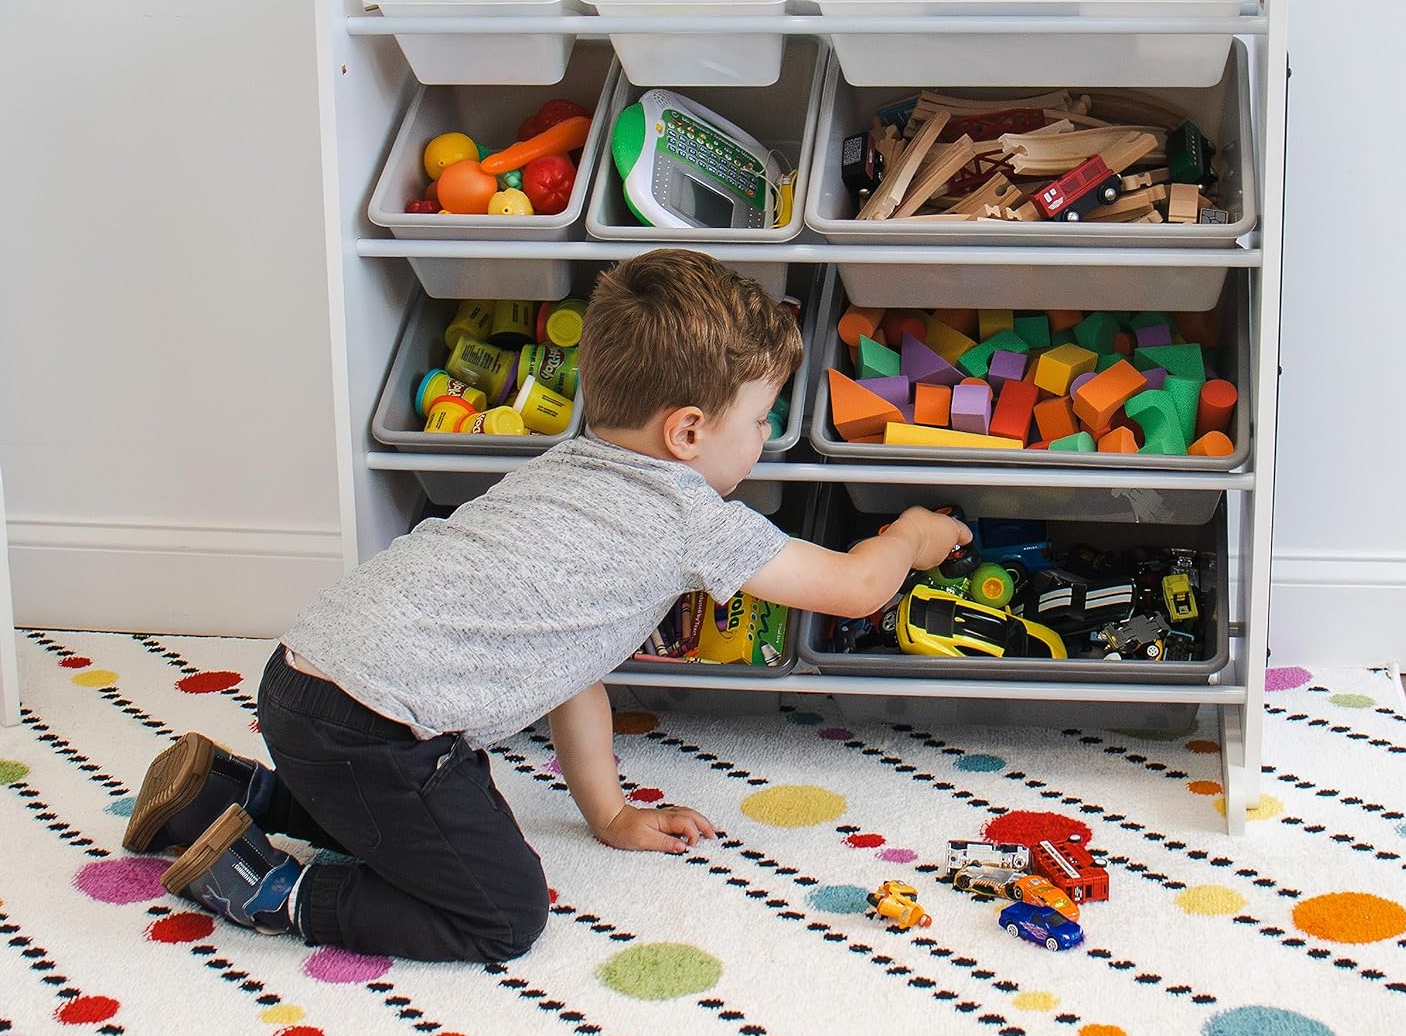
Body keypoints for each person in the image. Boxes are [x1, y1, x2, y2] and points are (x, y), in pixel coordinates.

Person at [121, 249, 969, 963]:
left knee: (424, 813)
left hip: (305, 684)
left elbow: (571, 671)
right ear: (686, 432)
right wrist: (909, 534)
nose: (764, 437)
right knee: (500, 910)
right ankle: (264, 887)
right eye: (758, 418)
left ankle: (227, 794)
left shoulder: (563, 471)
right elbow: (857, 586)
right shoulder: (686, 517)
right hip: (377, 731)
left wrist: (608, 813)